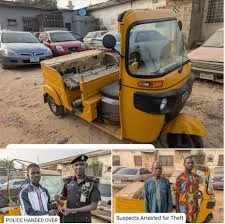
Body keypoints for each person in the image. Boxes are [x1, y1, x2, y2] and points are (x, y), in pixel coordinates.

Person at [57, 154, 101, 223]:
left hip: (83, 219)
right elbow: (64, 197)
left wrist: (72, 210)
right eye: (76, 165)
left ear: (86, 166)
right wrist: (59, 201)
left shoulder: (92, 183)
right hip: (68, 219)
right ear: (73, 167)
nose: (79, 167)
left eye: (82, 164)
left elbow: (94, 206)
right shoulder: (68, 182)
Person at [175, 156, 200, 223]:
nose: (190, 164)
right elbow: (177, 194)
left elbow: (196, 193)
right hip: (183, 208)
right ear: (184, 164)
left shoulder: (196, 177)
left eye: (192, 163)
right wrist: (177, 208)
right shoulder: (180, 178)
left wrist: (197, 205)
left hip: (193, 207)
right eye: (188, 163)